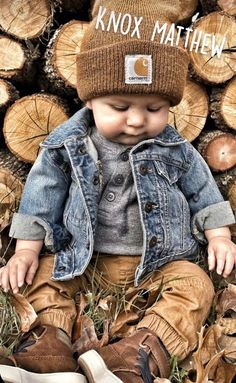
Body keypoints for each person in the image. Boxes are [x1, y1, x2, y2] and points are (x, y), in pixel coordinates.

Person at [0, 0, 236, 382]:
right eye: (120, 106)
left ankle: (137, 354)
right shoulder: (68, 145)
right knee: (43, 273)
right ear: (90, 99)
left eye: (155, 107)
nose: (138, 119)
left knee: (196, 285)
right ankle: (49, 347)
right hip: (84, 258)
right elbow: (42, 195)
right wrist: (26, 249)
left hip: (159, 263)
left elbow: (203, 191)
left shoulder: (175, 148)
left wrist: (220, 236)